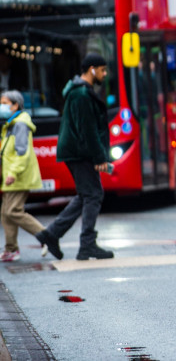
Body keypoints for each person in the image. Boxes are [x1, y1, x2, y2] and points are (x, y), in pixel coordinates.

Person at [36, 53, 115, 260]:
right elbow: (87, 130)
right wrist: (99, 158)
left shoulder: (80, 91)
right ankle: (86, 244)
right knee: (94, 194)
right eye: (102, 70)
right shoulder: (80, 94)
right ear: (92, 70)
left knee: (86, 195)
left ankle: (51, 234)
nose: (104, 74)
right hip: (80, 152)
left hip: (76, 151)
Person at [0, 91, 46, 262]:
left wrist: (12, 173)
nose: (1, 106)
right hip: (11, 175)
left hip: (18, 175)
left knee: (13, 211)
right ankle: (11, 249)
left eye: (4, 102)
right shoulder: (10, 124)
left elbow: (22, 153)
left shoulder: (19, 125)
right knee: (6, 213)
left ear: (15, 105)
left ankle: (46, 235)